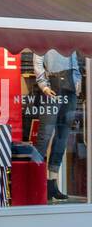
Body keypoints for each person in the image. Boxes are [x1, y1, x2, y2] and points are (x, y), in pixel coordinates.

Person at [32, 50, 82, 202]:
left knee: (62, 137)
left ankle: (52, 183)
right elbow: (38, 58)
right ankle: (37, 183)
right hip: (53, 85)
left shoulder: (69, 35)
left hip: (71, 87)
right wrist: (43, 85)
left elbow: (75, 63)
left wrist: (78, 83)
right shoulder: (47, 34)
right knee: (45, 135)